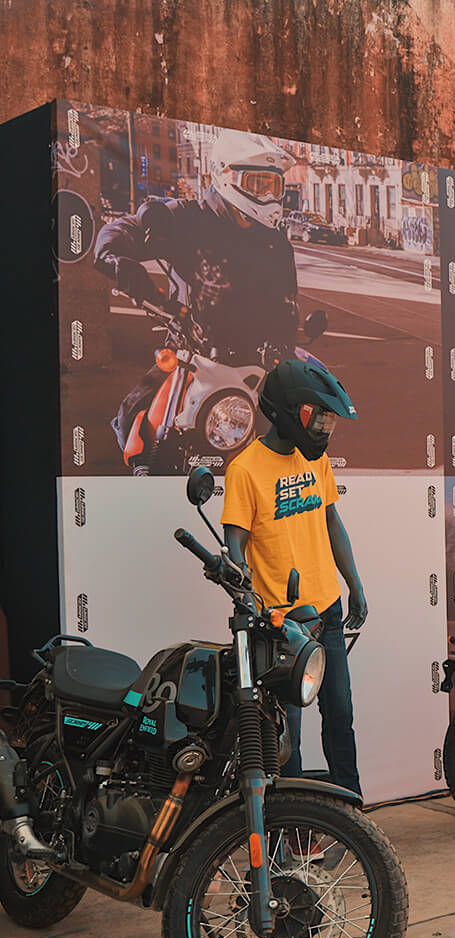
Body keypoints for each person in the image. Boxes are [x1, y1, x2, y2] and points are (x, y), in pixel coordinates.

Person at [94, 130, 299, 458]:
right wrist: (117, 260)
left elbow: (287, 303)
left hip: (255, 369)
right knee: (138, 425)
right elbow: (122, 229)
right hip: (193, 358)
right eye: (257, 183)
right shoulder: (186, 219)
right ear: (225, 176)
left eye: (273, 186)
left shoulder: (276, 243)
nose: (267, 195)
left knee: (285, 447)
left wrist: (285, 346)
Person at [221, 357, 368, 798]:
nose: (324, 427)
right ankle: (294, 821)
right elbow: (235, 543)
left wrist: (355, 583)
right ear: (288, 411)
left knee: (340, 714)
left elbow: (332, 522)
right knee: (288, 733)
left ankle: (350, 808)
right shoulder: (245, 469)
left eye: (329, 419)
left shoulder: (315, 462)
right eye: (317, 417)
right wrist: (244, 592)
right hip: (282, 625)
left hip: (327, 609)